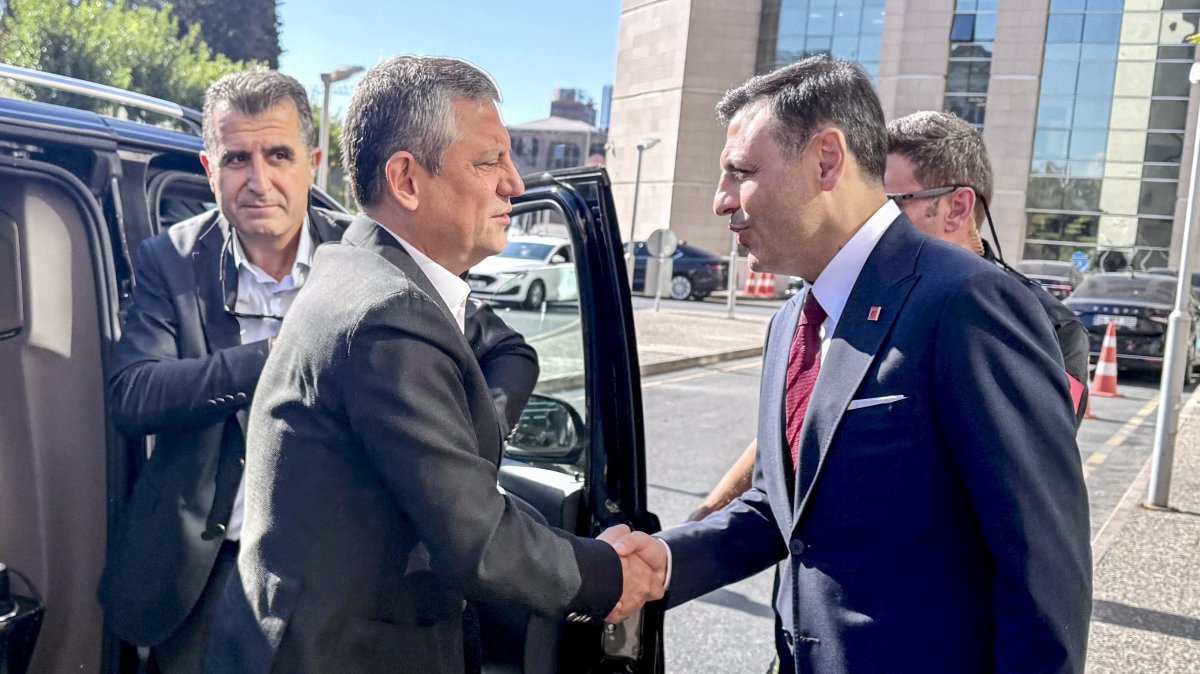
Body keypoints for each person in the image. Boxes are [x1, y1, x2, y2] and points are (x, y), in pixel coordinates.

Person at [619, 56, 1091, 673]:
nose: (720, 200)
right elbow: (781, 508)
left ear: (826, 160)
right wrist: (666, 560)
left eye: (740, 172)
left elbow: (1042, 566)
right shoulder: (791, 322)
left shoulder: (967, 301)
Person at [208, 56, 662, 674]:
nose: (516, 184)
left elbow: (451, 483)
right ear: (407, 180)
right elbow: (477, 540)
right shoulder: (387, 315)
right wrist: (608, 573)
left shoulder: (362, 273)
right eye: (489, 161)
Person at [99, 67, 540, 673]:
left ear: (313, 161)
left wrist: (466, 442)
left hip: (335, 589)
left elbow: (508, 351)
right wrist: (289, 354)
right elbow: (134, 394)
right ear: (208, 169)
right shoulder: (170, 259)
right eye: (236, 159)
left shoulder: (377, 251)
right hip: (200, 573)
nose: (260, 181)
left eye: (279, 155)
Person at [688, 109, 1093, 523]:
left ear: (956, 208)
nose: (867, 226)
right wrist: (690, 534)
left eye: (887, 207)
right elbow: (797, 434)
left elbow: (1030, 508)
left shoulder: (1042, 327)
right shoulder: (835, 302)